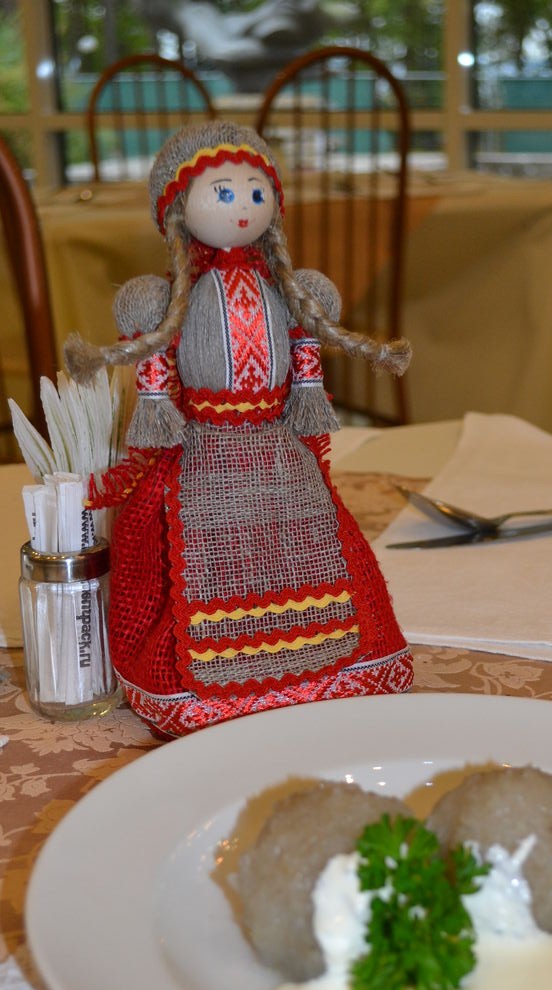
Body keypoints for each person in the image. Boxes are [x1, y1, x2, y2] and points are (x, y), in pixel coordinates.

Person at [64, 120, 413, 738]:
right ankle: (208, 689)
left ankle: (329, 668)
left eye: (257, 191)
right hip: (202, 451)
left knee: (310, 546)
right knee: (196, 560)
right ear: (177, 208)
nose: (244, 206)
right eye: (223, 192)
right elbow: (155, 383)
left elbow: (305, 363)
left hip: (277, 445)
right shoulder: (167, 299)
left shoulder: (289, 291)